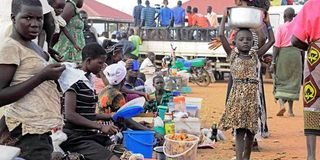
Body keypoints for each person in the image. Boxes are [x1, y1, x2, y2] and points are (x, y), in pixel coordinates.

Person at [0, 0, 66, 159]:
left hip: (38, 128)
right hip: (24, 129)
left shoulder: (32, 44)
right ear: (14, 18)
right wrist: (43, 76)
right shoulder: (11, 47)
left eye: (39, 18)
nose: (35, 24)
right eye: (28, 18)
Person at [218, 9, 275, 160]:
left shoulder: (256, 55)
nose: (245, 42)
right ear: (235, 42)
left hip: (252, 99)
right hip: (238, 99)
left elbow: (272, 41)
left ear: (252, 43)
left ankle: (246, 158)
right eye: (242, 39)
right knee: (240, 130)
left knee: (251, 131)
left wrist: (267, 23)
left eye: (248, 40)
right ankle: (238, 158)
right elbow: (220, 35)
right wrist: (224, 18)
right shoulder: (233, 55)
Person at [61, 43, 120, 160]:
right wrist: (100, 127)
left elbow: (86, 113)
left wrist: (109, 116)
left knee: (122, 150)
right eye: (100, 63)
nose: (102, 66)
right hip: (75, 137)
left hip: (88, 134)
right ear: (88, 61)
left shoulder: (87, 79)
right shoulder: (74, 80)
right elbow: (70, 115)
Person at [290, 0, 320, 159]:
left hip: (317, 55)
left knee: (312, 100)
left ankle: (311, 156)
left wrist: (311, 47)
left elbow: (295, 40)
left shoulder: (311, 4)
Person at [271, 7, 302, 117]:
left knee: (280, 80)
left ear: (284, 16)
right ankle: (290, 111)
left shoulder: (281, 27)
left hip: (284, 55)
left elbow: (276, 46)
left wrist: (273, 62)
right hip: (296, 55)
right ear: (293, 16)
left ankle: (281, 106)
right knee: (293, 82)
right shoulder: (299, 27)